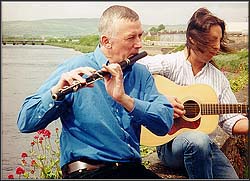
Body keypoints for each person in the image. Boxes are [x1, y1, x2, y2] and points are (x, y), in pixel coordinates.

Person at [17, 5, 174, 179]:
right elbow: (25, 122)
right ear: (106, 41)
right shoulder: (74, 68)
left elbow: (164, 123)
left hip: (131, 170)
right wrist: (57, 92)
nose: (139, 44)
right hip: (86, 172)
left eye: (140, 35)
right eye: (131, 38)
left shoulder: (140, 73)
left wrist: (125, 100)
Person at [139, 7, 248, 179]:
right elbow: (133, 69)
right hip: (169, 143)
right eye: (212, 40)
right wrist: (159, 100)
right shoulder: (171, 63)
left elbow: (231, 119)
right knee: (198, 141)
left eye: (219, 40)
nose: (217, 46)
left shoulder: (218, 78)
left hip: (205, 146)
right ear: (192, 38)